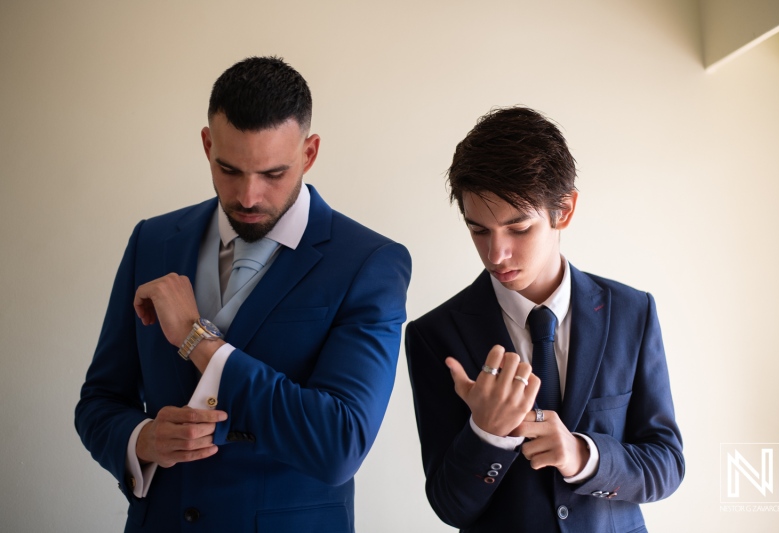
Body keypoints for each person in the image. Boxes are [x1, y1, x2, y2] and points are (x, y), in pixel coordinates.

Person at [75, 56, 411, 532]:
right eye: (229, 169)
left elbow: (339, 444)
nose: (249, 196)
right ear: (207, 144)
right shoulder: (152, 241)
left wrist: (198, 340)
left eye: (273, 174)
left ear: (309, 153)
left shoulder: (369, 262)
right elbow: (99, 400)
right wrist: (141, 441)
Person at [405, 106, 683, 532]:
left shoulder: (633, 312)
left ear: (564, 211)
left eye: (518, 229)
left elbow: (667, 463)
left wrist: (582, 455)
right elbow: (449, 506)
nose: (495, 255)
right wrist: (488, 434)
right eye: (479, 230)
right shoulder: (433, 335)